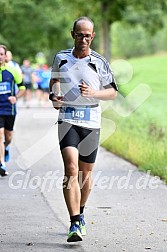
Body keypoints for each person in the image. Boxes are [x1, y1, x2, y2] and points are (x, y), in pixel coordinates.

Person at [49, 16, 118, 242]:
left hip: (91, 121)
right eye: (80, 35)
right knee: (71, 169)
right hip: (67, 119)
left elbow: (112, 92)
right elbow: (54, 84)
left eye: (88, 36)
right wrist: (54, 96)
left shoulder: (99, 62)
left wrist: (93, 93)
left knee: (85, 176)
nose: (84, 39)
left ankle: (81, 211)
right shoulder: (61, 58)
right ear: (73, 34)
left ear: (93, 36)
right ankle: (74, 220)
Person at [0, 45, 25, 176]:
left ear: (5, 56)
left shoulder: (12, 71)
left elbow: (22, 88)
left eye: (1, 54)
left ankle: (6, 147)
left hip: (9, 109)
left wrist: (15, 97)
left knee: (8, 137)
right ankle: (2, 164)